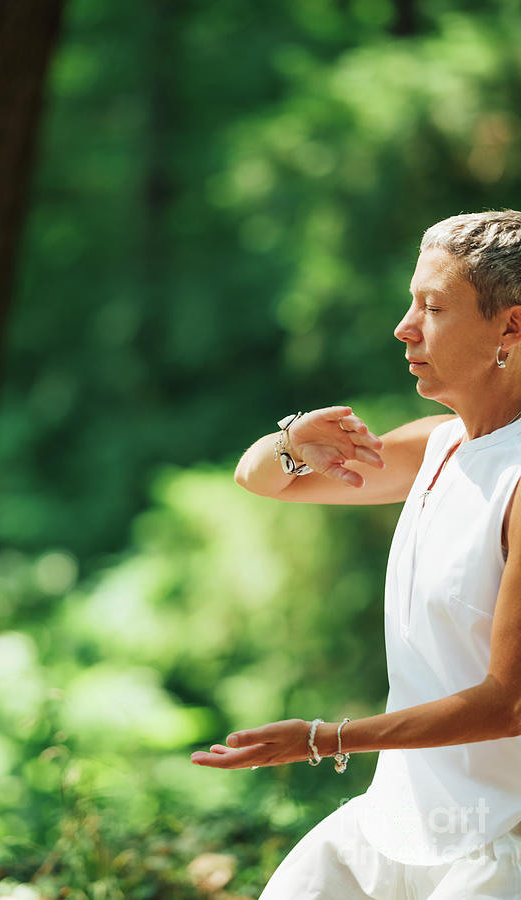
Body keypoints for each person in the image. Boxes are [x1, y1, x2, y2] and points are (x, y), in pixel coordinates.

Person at [191, 210, 521, 898]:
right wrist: (291, 440)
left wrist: (325, 738)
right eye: (411, 302)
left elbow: (508, 703)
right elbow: (263, 480)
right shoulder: (439, 445)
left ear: (510, 329)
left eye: (432, 307)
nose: (405, 327)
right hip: (393, 824)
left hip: (499, 842)